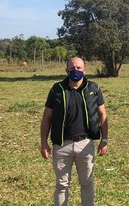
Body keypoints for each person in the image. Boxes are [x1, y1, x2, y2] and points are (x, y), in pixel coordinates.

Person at [40, 57, 108, 206]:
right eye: (72, 68)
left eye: (78, 68)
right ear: (66, 70)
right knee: (62, 185)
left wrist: (104, 139)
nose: (75, 71)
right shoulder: (57, 89)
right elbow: (47, 118)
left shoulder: (93, 88)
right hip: (62, 145)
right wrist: (44, 143)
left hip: (85, 144)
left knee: (87, 183)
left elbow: (103, 114)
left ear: (85, 70)